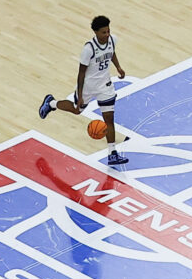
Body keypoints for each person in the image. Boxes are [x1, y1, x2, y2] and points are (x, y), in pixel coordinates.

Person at [40, 14, 132, 169]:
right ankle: (52, 103)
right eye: (103, 32)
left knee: (109, 118)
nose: (107, 34)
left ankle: (112, 153)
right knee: (77, 110)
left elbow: (112, 52)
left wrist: (118, 67)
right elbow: (81, 73)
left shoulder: (112, 40)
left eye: (108, 31)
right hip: (88, 86)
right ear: (96, 32)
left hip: (105, 85)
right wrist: (81, 95)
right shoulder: (88, 49)